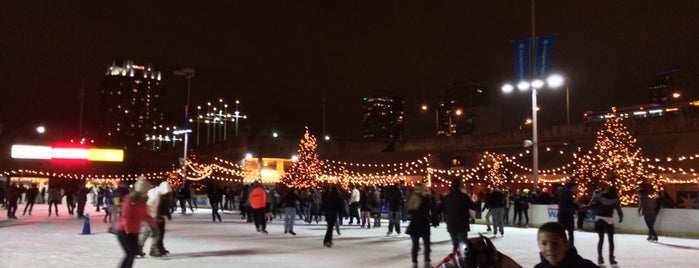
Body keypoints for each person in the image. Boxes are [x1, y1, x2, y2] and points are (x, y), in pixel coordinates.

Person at [115, 178, 157, 268]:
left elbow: (145, 215)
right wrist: (128, 231)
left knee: (131, 254)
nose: (146, 195)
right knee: (130, 254)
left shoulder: (142, 203)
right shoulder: (129, 199)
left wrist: (153, 226)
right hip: (124, 231)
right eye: (145, 193)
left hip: (134, 231)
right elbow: (125, 216)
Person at [587, 185, 623, 266]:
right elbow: (618, 209)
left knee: (601, 239)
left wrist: (585, 207)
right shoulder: (615, 200)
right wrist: (621, 216)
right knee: (611, 240)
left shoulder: (600, 197)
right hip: (609, 221)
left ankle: (600, 258)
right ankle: (611, 259)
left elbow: (593, 206)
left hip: (599, 220)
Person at [442, 178, 480, 252]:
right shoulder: (464, 197)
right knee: (462, 245)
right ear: (460, 186)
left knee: (455, 244)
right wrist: (478, 202)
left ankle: (456, 259)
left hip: (451, 224)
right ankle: (462, 260)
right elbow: (473, 207)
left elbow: (439, 209)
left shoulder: (447, 198)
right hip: (461, 224)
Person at [406, 183, 438, 268]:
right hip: (423, 223)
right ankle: (427, 261)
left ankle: (415, 263)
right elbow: (432, 210)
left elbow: (409, 211)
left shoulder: (412, 198)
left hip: (415, 223)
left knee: (415, 245)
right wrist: (433, 220)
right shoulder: (426, 198)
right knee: (426, 244)